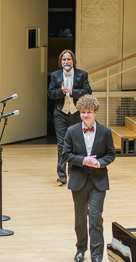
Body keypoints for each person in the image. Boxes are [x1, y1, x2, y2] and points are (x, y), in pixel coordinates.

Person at [62, 95, 116, 262]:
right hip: (78, 180)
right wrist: (83, 160)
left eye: (89, 112)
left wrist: (100, 163)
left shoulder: (106, 132)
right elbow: (65, 155)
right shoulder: (71, 131)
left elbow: (111, 155)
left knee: (95, 218)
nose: (85, 115)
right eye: (83, 112)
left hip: (98, 181)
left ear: (96, 112)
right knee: (80, 219)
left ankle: (96, 258)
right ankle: (80, 249)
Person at [48, 49, 92, 186]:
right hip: (61, 113)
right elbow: (50, 94)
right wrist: (61, 92)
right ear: (60, 62)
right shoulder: (55, 76)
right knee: (61, 144)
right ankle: (61, 174)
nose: (66, 62)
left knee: (76, 143)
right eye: (64, 60)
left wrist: (72, 92)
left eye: (68, 59)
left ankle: (73, 172)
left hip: (76, 113)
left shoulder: (82, 75)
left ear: (73, 61)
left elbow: (88, 92)